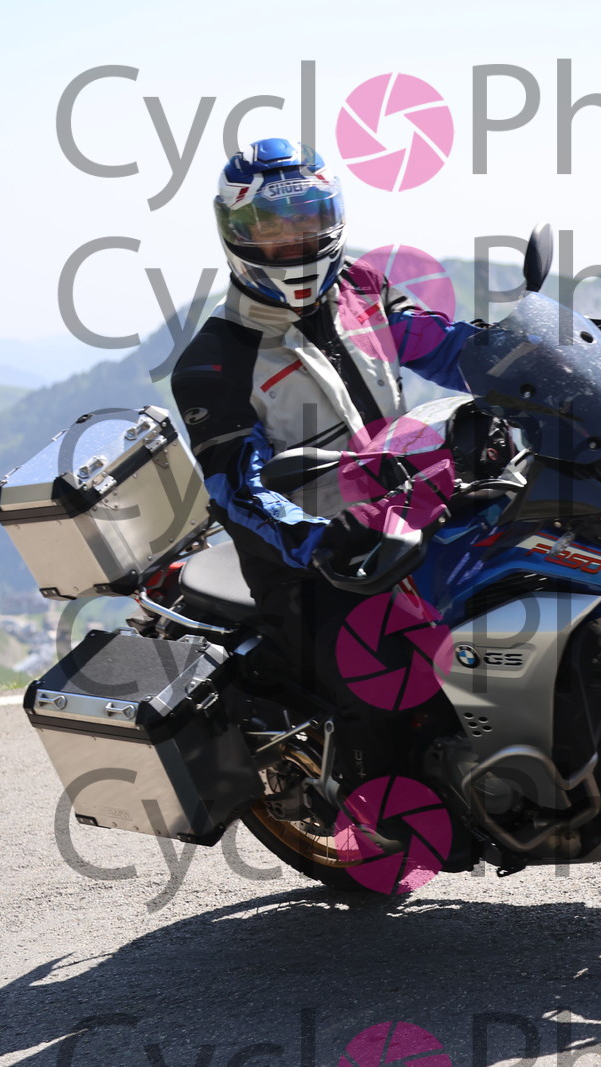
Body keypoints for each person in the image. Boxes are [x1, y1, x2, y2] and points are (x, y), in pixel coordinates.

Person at [169, 138, 483, 745]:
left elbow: (446, 346)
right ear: (234, 232)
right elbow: (239, 489)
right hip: (315, 568)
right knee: (397, 711)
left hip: (411, 522)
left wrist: (541, 357)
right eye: (271, 227)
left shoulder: (362, 288)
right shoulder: (214, 362)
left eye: (307, 219)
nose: (293, 241)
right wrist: (316, 541)